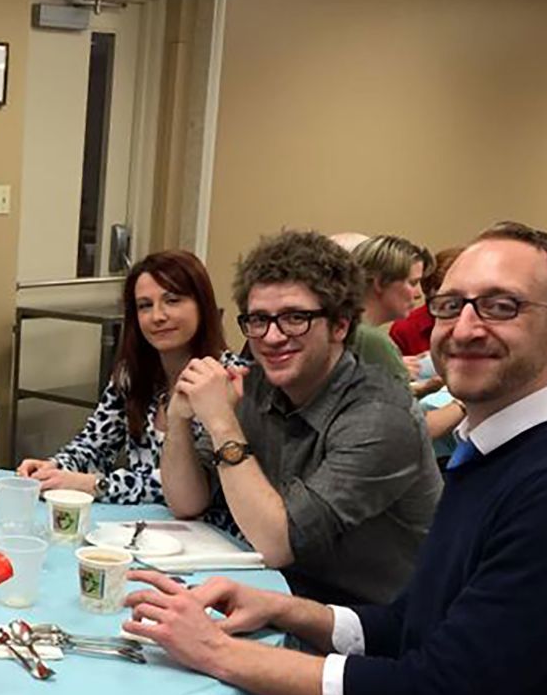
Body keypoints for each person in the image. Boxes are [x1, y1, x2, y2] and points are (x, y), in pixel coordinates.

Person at [125, 222, 547, 695]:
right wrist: (282, 607)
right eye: (449, 305)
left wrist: (217, 652)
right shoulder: (493, 452)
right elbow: (409, 626)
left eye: (501, 307)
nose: (465, 327)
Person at [160, 230, 440, 605]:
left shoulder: (380, 417)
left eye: (295, 318)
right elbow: (185, 503)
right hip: (285, 598)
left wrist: (221, 422)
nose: (272, 337)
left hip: (374, 627)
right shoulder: (258, 386)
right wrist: (179, 418)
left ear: (340, 325)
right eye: (259, 319)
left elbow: (279, 543)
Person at [16, 250, 241, 507]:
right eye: (145, 305)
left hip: (212, 534)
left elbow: (200, 485)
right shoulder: (131, 375)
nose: (158, 316)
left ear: (202, 305)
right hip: (140, 528)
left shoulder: (229, 379)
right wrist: (54, 468)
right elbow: (94, 444)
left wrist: (96, 485)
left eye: (173, 300)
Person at [349, 234, 431, 385]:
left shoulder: (340, 329)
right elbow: (402, 409)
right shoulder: (371, 341)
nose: (419, 294)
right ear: (380, 283)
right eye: (413, 283)